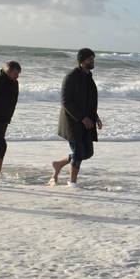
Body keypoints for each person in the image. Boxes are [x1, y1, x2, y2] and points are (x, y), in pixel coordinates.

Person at [51, 48, 102, 186]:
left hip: (86, 122)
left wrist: (95, 117)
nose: (93, 61)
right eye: (90, 59)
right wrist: (82, 118)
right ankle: (72, 183)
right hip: (72, 122)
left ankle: (59, 164)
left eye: (93, 59)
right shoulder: (71, 76)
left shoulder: (89, 77)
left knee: (88, 153)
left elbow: (88, 101)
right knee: (79, 152)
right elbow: (65, 101)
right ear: (82, 60)